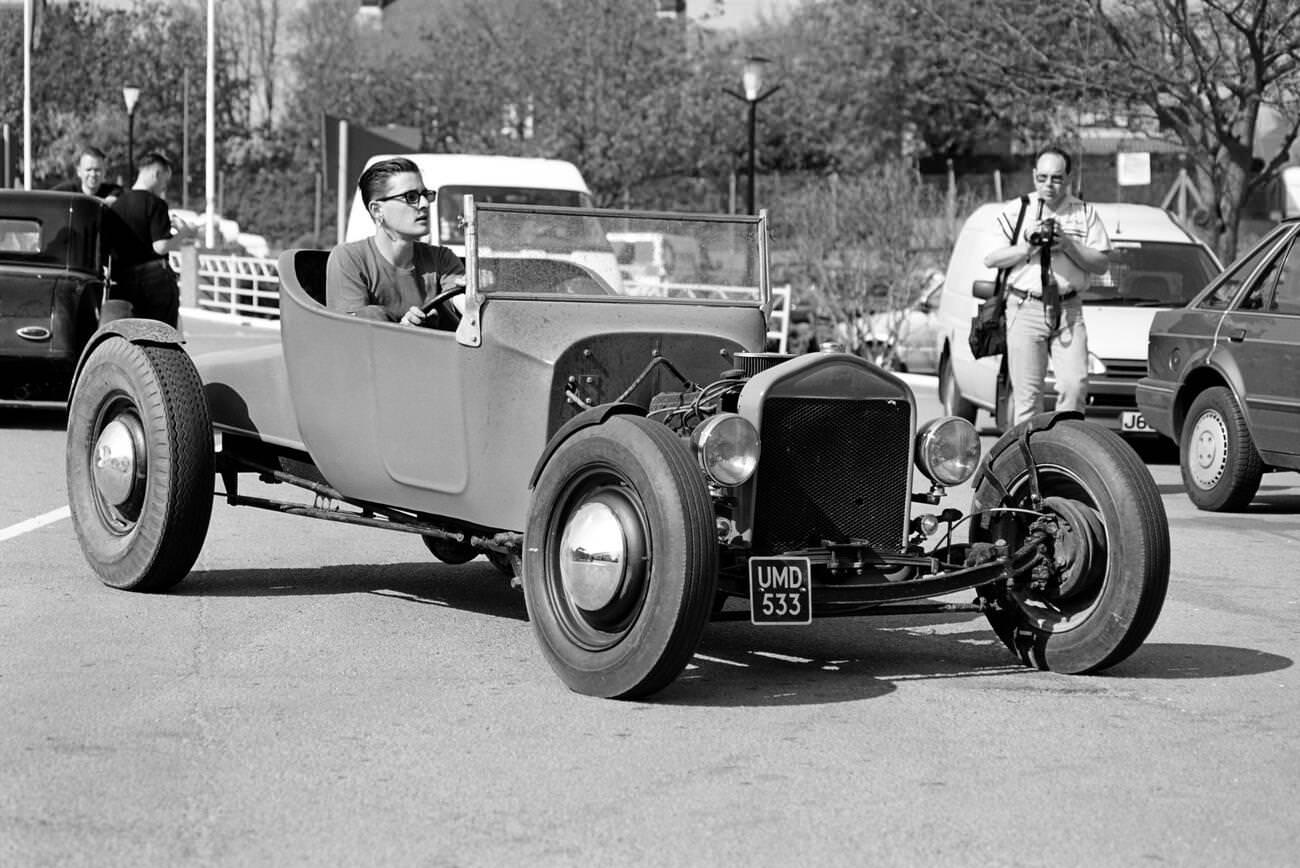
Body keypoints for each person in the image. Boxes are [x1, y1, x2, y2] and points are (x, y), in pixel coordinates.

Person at [983, 146, 1111, 426]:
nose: (1048, 185)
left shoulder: (1084, 212)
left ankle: (1066, 452)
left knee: (1074, 387)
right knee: (1028, 399)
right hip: (1025, 307)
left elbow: (1101, 263)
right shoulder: (1018, 210)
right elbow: (991, 258)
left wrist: (1067, 244)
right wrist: (1026, 246)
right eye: (1042, 178)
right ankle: (1025, 463)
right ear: (1033, 176)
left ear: (1068, 177)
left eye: (1056, 178)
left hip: (1068, 309)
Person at [326, 157, 464, 328]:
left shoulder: (443, 258)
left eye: (425, 195)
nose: (424, 204)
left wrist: (475, 298)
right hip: (377, 354)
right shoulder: (349, 259)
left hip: (438, 354)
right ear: (377, 210)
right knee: (372, 314)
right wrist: (402, 331)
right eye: (411, 197)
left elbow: (466, 307)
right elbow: (352, 334)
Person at [108, 152, 186, 327]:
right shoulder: (156, 203)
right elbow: (161, 246)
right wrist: (183, 233)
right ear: (156, 174)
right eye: (164, 182)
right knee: (162, 334)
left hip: (124, 282)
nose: (163, 188)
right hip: (155, 281)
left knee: (133, 335)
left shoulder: (117, 205)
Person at [52, 146, 123, 204]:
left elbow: (124, 193)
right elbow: (44, 199)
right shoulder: (65, 192)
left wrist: (111, 199)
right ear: (79, 171)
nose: (93, 174)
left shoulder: (113, 192)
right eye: (88, 170)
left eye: (97, 170)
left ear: (104, 172)